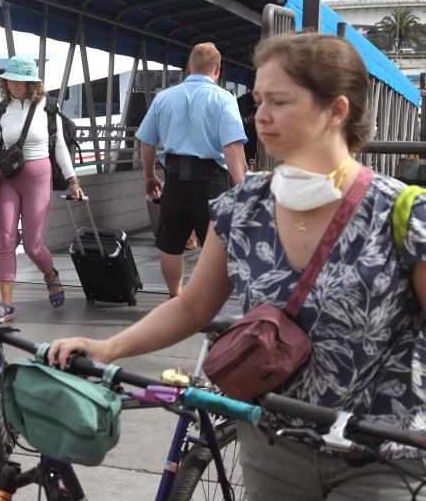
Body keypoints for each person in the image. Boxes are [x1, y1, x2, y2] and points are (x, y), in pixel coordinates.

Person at [49, 33, 426, 499]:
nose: (260, 115)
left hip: (382, 456)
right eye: (259, 99)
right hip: (273, 447)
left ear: (337, 111)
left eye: (280, 101)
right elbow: (192, 308)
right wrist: (107, 348)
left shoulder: (403, 215)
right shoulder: (242, 206)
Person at [0, 55, 83, 323]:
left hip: (39, 178)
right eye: (10, 80)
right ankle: (6, 304)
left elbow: (59, 146)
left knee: (34, 245)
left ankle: (50, 274)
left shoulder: (48, 108)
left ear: (31, 83)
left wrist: (73, 180)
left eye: (19, 81)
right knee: (6, 241)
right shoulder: (3, 109)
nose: (13, 85)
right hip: (10, 180)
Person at [135, 42, 246, 297]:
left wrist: (150, 176)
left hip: (174, 181)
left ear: (188, 67)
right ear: (217, 69)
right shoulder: (223, 99)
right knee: (215, 249)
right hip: (211, 183)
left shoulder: (164, 97)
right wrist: (242, 185)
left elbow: (147, 141)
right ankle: (210, 302)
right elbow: (232, 146)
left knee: (170, 245)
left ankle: (176, 296)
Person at [237, 73, 259, 169]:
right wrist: (247, 120)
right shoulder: (242, 101)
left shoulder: (269, 100)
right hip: (247, 146)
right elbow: (234, 123)